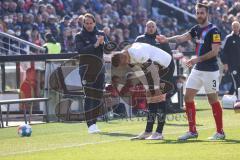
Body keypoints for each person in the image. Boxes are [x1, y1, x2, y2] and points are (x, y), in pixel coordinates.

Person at [156, 3, 225, 140]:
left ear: (207, 14)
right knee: (188, 97)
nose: (199, 15)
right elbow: (182, 37)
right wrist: (166, 40)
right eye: (197, 13)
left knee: (213, 100)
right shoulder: (196, 29)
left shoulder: (214, 31)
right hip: (198, 69)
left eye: (202, 13)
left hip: (210, 71)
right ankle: (192, 131)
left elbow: (214, 52)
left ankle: (220, 132)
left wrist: (195, 60)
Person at [129, 20, 175, 140]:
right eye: (148, 26)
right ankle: (148, 131)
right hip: (149, 73)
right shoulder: (139, 39)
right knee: (151, 102)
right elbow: (137, 62)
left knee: (160, 101)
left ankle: (159, 132)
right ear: (145, 28)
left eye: (152, 26)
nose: (150, 28)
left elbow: (169, 57)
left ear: (156, 27)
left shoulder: (161, 39)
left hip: (164, 71)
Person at [75, 13, 105, 134]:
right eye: (86, 23)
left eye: (90, 23)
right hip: (86, 70)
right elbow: (81, 51)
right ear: (83, 24)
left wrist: (104, 44)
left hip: (100, 69)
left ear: (94, 23)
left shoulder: (101, 34)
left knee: (98, 96)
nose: (88, 25)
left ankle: (94, 123)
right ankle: (90, 124)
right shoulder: (79, 36)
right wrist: (96, 44)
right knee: (89, 96)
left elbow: (108, 49)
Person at [222, 21, 240, 96]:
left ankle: (230, 94)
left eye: (237, 27)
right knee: (236, 81)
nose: (235, 28)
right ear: (232, 27)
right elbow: (223, 52)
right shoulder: (228, 38)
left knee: (237, 81)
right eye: (234, 27)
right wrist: (225, 63)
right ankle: (237, 98)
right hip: (232, 65)